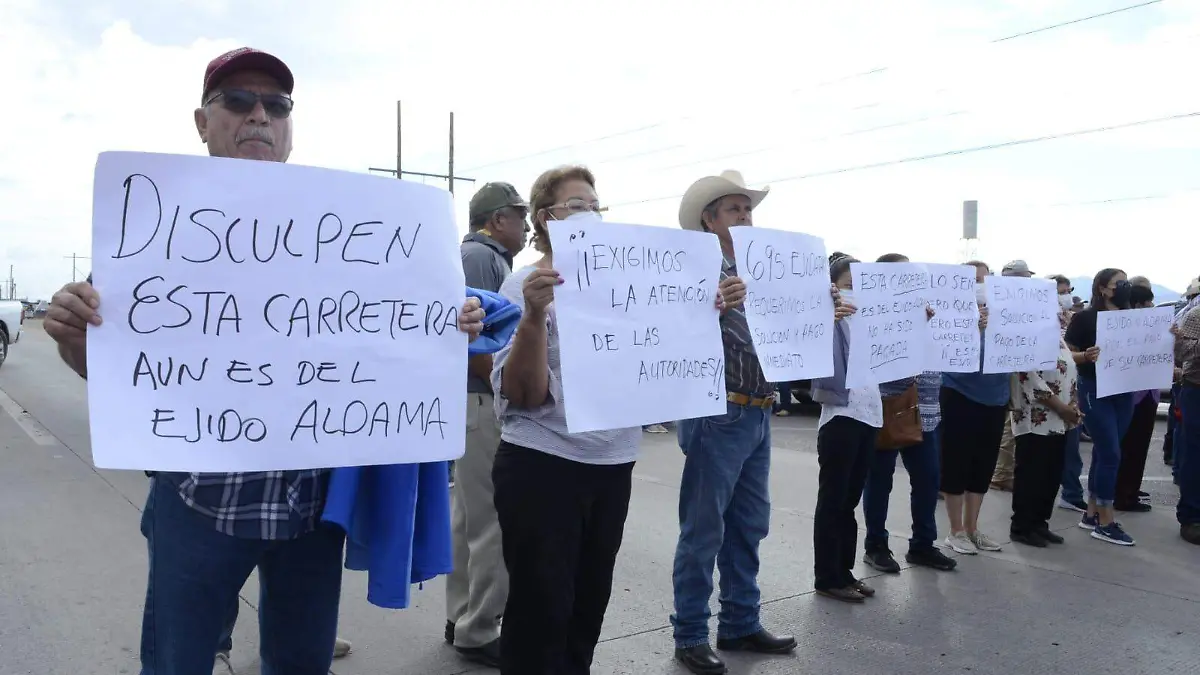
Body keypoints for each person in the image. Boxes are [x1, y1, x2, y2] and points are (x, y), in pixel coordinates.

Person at [42, 48, 487, 675]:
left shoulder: (351, 228)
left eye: (276, 105)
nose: (259, 115)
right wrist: (72, 337)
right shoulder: (150, 226)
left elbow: (389, 342)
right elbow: (111, 369)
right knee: (176, 661)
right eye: (238, 101)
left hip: (311, 509)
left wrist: (447, 327)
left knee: (302, 662)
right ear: (202, 121)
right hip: (198, 506)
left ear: (289, 127)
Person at [489, 165, 645, 675]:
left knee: (586, 607)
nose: (591, 215)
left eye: (595, 207)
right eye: (577, 206)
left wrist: (702, 310)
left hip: (613, 463)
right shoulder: (522, 285)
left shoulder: (626, 285)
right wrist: (534, 316)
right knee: (541, 612)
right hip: (543, 464)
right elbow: (522, 393)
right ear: (546, 219)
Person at [671, 170, 798, 675]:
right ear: (710, 219)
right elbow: (678, 330)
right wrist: (719, 305)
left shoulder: (760, 272)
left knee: (748, 525)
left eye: (748, 209)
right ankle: (691, 633)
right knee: (704, 529)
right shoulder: (692, 269)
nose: (746, 217)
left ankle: (741, 622)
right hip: (718, 410)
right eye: (735, 209)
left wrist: (818, 312)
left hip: (757, 409)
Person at [444, 182, 530, 667]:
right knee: (494, 521)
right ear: (498, 220)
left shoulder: (476, 255)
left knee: (471, 519)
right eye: (519, 217)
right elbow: (479, 345)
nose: (526, 226)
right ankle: (478, 630)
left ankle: (462, 617)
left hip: (470, 403)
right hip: (482, 399)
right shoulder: (482, 258)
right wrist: (504, 389)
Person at [860, 254, 956, 575]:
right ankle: (876, 545)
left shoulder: (926, 308)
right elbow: (878, 361)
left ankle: (923, 546)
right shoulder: (873, 312)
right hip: (886, 409)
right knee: (879, 481)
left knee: (928, 479)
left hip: (926, 412)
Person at [809, 253, 883, 604]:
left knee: (849, 501)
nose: (856, 293)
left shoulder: (873, 321)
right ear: (833, 287)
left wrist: (918, 322)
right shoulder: (826, 319)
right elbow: (808, 351)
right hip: (840, 417)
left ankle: (844, 571)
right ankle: (827, 576)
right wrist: (826, 317)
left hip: (870, 415)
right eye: (849, 285)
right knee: (833, 500)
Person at [1065, 268, 1136, 545]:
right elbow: (1066, 354)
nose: (1125, 287)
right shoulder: (1084, 318)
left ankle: (1092, 512)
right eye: (1120, 284)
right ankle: (1106, 520)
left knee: (1107, 451)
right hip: (1095, 389)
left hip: (1123, 390)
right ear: (1103, 289)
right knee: (1110, 453)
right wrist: (1085, 356)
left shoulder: (1132, 319)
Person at [939, 260, 1005, 554]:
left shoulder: (1002, 313)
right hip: (959, 394)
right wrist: (972, 327)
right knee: (957, 462)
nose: (981, 285)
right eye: (975, 279)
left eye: (985, 280)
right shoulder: (947, 312)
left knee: (983, 465)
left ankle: (972, 527)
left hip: (996, 397)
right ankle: (955, 531)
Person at [1009, 332, 1081, 547]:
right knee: (1032, 472)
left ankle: (1040, 522)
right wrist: (1062, 407)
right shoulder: (1023, 333)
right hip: (1035, 417)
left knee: (1051, 472)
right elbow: (1028, 377)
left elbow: (1069, 371)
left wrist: (1072, 406)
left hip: (1060, 418)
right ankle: (1022, 526)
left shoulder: (1057, 336)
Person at [990, 259, 1035, 492]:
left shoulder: (1025, 302)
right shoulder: (1001, 302)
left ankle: (1003, 471)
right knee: (1011, 422)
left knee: (1013, 420)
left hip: (1019, 368)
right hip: (1008, 370)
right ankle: (1001, 474)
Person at [1114, 284, 1158, 512]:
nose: (1152, 306)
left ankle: (1131, 488)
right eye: (1148, 302)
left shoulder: (1152, 327)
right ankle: (1123, 495)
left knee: (1139, 446)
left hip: (1149, 393)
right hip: (1132, 396)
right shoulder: (1123, 328)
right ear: (1138, 305)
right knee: (1130, 446)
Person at [1172, 300, 1200, 545]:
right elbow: (1180, 353)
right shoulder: (1196, 315)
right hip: (1196, 390)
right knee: (1194, 455)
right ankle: (1191, 518)